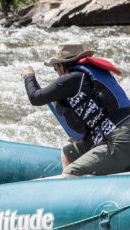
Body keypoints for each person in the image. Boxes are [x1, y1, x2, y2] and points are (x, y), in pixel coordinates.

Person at [21, 42, 130, 177]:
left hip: (120, 137)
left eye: (55, 68)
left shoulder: (72, 78)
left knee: (71, 173)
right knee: (69, 153)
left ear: (61, 66)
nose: (57, 72)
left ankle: (78, 186)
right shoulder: (90, 76)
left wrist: (28, 76)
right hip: (109, 133)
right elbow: (97, 114)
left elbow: (36, 97)